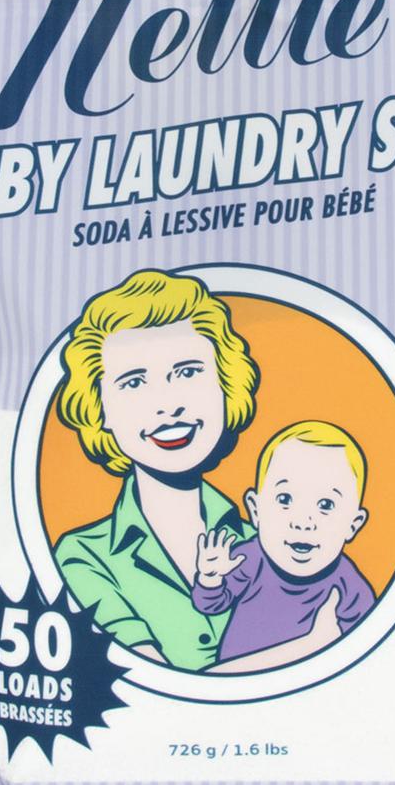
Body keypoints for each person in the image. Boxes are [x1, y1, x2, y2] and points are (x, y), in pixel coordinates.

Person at [53, 269, 342, 671]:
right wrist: (310, 646)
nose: (167, 405)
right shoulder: (83, 556)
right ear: (100, 411)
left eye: (187, 372)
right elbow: (153, 686)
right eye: (134, 382)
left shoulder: (271, 541)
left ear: (225, 386)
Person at [191, 420, 375, 665]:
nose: (303, 522)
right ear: (255, 510)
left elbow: (369, 647)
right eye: (285, 499)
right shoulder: (248, 559)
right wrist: (210, 578)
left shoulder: (349, 585)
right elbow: (211, 606)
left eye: (326, 505)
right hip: (238, 680)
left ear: (353, 524)